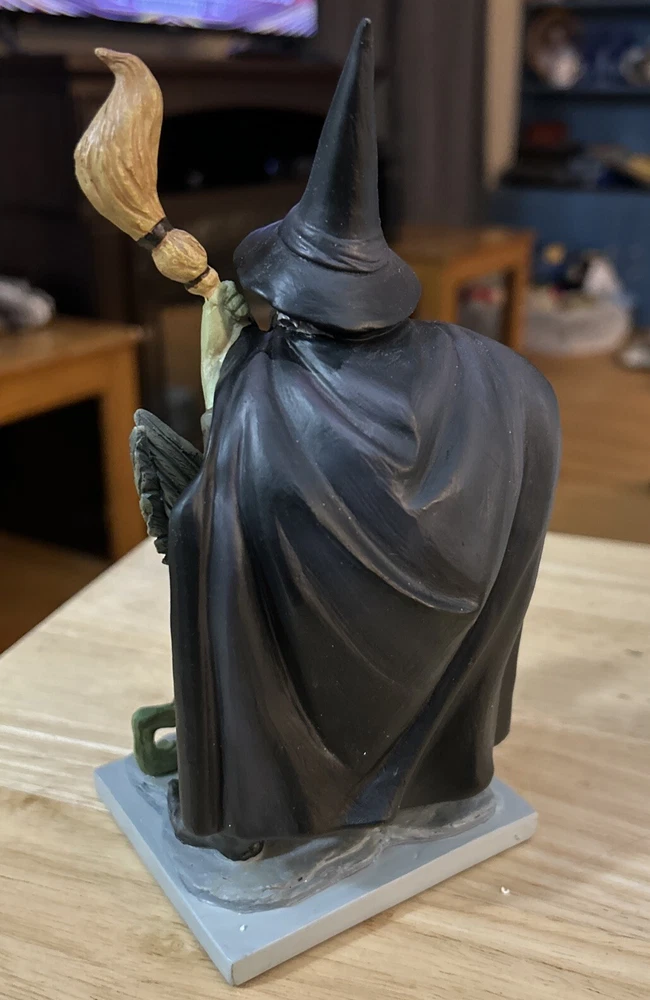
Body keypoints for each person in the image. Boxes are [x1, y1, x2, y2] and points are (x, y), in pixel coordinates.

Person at [162, 19, 561, 861]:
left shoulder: (261, 403)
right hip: (446, 709)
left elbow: (208, 542)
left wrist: (219, 410)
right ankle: (436, 769)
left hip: (306, 744)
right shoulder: (510, 382)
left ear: (287, 297)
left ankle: (260, 804)